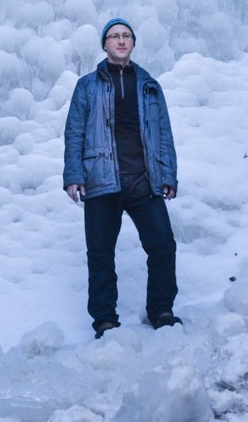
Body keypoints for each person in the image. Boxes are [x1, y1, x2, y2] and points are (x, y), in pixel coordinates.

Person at [63, 17, 181, 339]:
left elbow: (164, 133)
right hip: (101, 180)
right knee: (100, 252)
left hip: (144, 180)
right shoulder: (87, 86)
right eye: (114, 36)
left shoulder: (149, 85)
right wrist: (74, 175)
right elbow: (74, 132)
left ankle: (161, 310)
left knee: (163, 245)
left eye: (126, 35)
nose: (120, 40)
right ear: (104, 44)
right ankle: (105, 320)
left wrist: (167, 174)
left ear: (132, 43)